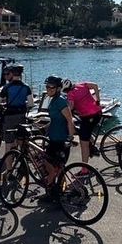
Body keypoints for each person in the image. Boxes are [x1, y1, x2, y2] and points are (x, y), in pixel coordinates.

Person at [39, 75, 76, 203]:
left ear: (58, 88)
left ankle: (55, 194)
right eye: (47, 86)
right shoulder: (53, 99)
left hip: (60, 140)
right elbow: (56, 119)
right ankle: (56, 192)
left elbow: (69, 120)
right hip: (53, 138)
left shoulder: (60, 100)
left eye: (51, 87)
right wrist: (43, 127)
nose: (48, 89)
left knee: (52, 167)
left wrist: (70, 138)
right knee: (54, 167)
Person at [0, 64, 34, 159]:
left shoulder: (7, 87)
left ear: (13, 74)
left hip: (9, 117)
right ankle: (22, 159)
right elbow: (30, 104)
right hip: (21, 116)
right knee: (21, 140)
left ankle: (9, 167)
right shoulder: (26, 87)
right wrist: (22, 105)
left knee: (8, 144)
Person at [62, 78, 102, 168]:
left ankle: (85, 170)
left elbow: (70, 108)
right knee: (84, 131)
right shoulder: (81, 84)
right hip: (98, 112)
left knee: (83, 144)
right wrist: (98, 100)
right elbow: (95, 85)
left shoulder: (70, 94)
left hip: (89, 117)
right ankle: (93, 147)